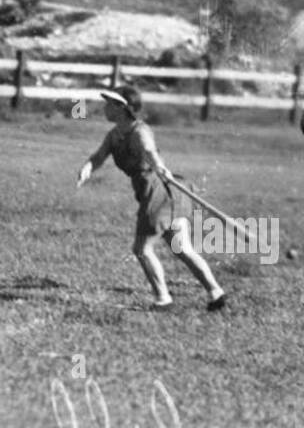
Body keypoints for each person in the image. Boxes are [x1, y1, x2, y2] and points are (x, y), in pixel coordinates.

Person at [76, 86, 227, 312]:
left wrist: (159, 165)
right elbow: (99, 156)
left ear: (122, 108)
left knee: (142, 249)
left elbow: (149, 149)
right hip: (167, 193)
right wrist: (88, 168)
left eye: (110, 103)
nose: (105, 107)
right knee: (181, 248)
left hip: (158, 193)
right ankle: (216, 293)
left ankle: (163, 299)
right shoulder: (114, 135)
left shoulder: (139, 130)